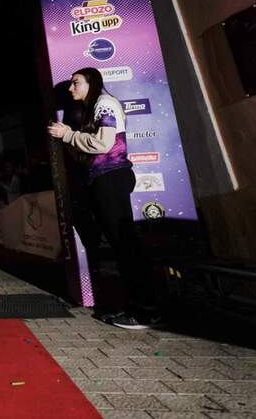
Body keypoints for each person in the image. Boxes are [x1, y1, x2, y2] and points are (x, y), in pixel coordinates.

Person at [48, 67, 158, 330]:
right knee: (121, 245)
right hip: (104, 179)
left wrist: (68, 135)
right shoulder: (94, 108)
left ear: (91, 83)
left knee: (125, 244)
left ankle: (146, 311)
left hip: (111, 178)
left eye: (76, 83)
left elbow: (104, 144)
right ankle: (137, 306)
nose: (71, 88)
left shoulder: (104, 104)